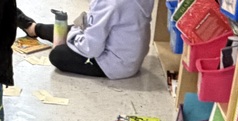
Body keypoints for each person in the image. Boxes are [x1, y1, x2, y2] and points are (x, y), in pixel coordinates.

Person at [17, 0, 154, 80]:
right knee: (71, 29)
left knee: (57, 55)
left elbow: (91, 48)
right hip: (129, 55)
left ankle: (34, 29)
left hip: (114, 65)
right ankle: (33, 28)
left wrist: (74, 37)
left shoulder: (107, 3)